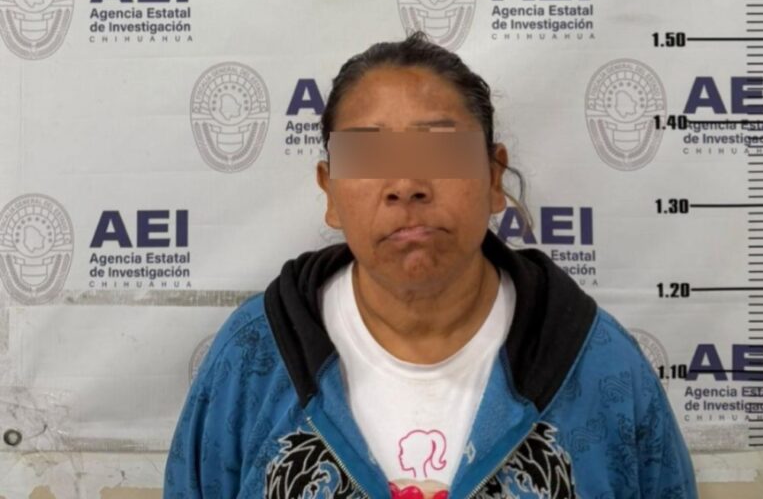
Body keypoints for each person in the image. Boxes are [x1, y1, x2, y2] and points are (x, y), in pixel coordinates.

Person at [164, 33, 698, 499]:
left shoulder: (600, 365)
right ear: (330, 193)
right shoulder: (252, 360)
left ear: (493, 178)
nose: (406, 184)